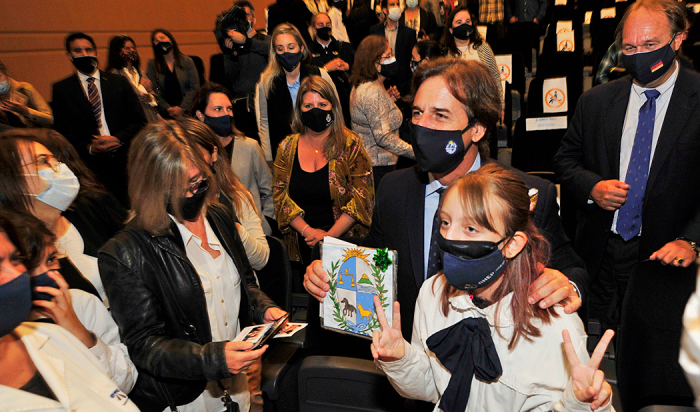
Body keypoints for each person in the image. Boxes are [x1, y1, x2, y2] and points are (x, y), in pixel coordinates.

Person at [305, 58, 588, 344]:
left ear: (477, 129)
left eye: (440, 115)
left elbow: (572, 269)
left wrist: (568, 285)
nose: (422, 126)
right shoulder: (393, 189)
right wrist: (328, 269)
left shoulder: (528, 194)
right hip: (409, 363)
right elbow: (375, 254)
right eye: (417, 113)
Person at [372, 164, 614, 411]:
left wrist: (582, 405)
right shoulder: (432, 293)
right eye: (445, 222)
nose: (450, 237)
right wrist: (400, 359)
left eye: (470, 228)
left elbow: (576, 398)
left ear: (511, 244)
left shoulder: (555, 325)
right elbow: (433, 388)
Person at [98, 121, 286, 412]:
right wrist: (213, 359)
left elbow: (245, 284)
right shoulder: (125, 253)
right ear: (153, 188)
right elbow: (144, 345)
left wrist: (263, 309)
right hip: (187, 400)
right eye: (183, 187)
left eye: (200, 180)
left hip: (238, 386)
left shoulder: (220, 217)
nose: (195, 193)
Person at [552, 0, 700, 338]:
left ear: (677, 40)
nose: (638, 55)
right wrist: (592, 187)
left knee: (652, 355)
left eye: (650, 45)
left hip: (665, 258)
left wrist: (691, 241)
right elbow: (563, 161)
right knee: (595, 346)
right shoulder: (596, 101)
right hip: (600, 251)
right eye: (629, 47)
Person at [0, 211, 140, 411]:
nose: (47, 275)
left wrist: (79, 332)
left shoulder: (78, 308)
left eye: (51, 260)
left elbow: (124, 382)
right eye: (31, 266)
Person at [0, 129, 128, 303]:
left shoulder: (87, 209)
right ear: (10, 180)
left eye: (56, 160)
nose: (59, 168)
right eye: (43, 161)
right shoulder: (12, 252)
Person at [272, 75, 374, 267]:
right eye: (308, 106)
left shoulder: (351, 144)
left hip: (345, 245)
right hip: (302, 244)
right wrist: (308, 232)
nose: (315, 110)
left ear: (333, 107)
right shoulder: (286, 147)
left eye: (322, 104)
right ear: (299, 110)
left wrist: (328, 237)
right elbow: (279, 196)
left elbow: (363, 198)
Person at [51, 32, 147, 207]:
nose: (84, 54)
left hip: (125, 158)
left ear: (96, 52)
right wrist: (89, 147)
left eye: (88, 49)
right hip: (90, 166)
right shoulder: (62, 89)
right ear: (69, 55)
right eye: (78, 51)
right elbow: (62, 131)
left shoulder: (118, 82)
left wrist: (119, 138)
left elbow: (139, 120)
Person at [179, 116, 271, 270]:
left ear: (213, 154)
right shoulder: (164, 206)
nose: (190, 169)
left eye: (197, 157)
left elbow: (261, 259)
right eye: (180, 160)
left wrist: (230, 226)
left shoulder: (236, 197)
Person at [191, 83, 276, 237]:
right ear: (200, 115)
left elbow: (269, 190)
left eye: (229, 109)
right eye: (218, 109)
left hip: (253, 235)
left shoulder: (250, 146)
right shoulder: (192, 153)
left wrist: (267, 223)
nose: (226, 114)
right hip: (213, 234)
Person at [255, 23, 337, 162]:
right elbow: (264, 122)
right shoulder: (267, 81)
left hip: (322, 149)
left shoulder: (320, 75)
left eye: (291, 47)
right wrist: (269, 158)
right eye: (280, 49)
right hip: (284, 153)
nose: (286, 52)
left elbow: (336, 111)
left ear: (302, 48)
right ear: (275, 53)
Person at [350, 35, 414, 186]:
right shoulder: (373, 92)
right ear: (373, 62)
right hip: (378, 168)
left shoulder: (364, 84)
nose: (393, 59)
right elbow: (383, 137)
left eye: (392, 54)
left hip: (371, 164)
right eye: (388, 56)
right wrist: (415, 151)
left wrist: (388, 103)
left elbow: (369, 115)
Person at [214, 0, 270, 142]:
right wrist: (232, 55)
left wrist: (245, 41)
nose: (242, 20)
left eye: (246, 15)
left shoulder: (265, 40)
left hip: (264, 102)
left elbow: (270, 51)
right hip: (241, 104)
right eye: (238, 17)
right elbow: (230, 78)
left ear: (254, 19)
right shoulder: (231, 46)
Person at [442, 6, 505, 117]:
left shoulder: (484, 48)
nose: (464, 25)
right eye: (459, 22)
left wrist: (500, 107)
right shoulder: (445, 56)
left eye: (467, 21)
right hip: (458, 112)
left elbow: (495, 77)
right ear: (451, 29)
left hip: (484, 108)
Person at [309, 12, 355, 127]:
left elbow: (360, 70)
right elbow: (306, 76)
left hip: (345, 102)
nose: (325, 27)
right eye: (321, 24)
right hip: (321, 101)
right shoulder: (308, 52)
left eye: (328, 24)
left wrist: (348, 67)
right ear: (314, 29)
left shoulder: (345, 48)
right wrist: (325, 69)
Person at [147, 28, 200, 120]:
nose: (159, 41)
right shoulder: (153, 64)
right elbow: (153, 90)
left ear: (170, 40)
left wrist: (182, 108)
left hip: (187, 112)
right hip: (166, 114)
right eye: (156, 40)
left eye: (162, 38)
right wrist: (168, 109)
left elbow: (195, 87)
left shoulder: (187, 61)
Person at [106, 34, 159, 123]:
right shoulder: (113, 74)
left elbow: (152, 94)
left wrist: (150, 97)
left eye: (133, 48)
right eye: (127, 48)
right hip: (130, 121)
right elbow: (121, 100)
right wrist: (141, 88)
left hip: (149, 119)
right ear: (117, 52)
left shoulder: (140, 72)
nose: (132, 50)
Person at [370, 0, 418, 94]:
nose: (396, 7)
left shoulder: (409, 33)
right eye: (392, 5)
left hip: (403, 87)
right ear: (384, 10)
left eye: (397, 4)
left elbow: (412, 62)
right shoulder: (375, 31)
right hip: (381, 84)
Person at [0, 59, 53, 128]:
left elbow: (50, 120)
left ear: (5, 73)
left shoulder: (24, 89)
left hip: (32, 136)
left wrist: (26, 112)